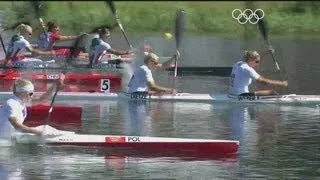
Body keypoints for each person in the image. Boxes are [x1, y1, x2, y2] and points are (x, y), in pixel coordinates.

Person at [0, 74, 66, 140]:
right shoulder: (12, 104)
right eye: (31, 93)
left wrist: (54, 85)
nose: (32, 95)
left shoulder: (21, 101)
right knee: (40, 130)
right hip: (4, 141)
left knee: (46, 127)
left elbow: (42, 99)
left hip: (12, 137)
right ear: (22, 93)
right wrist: (38, 132)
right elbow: (17, 125)